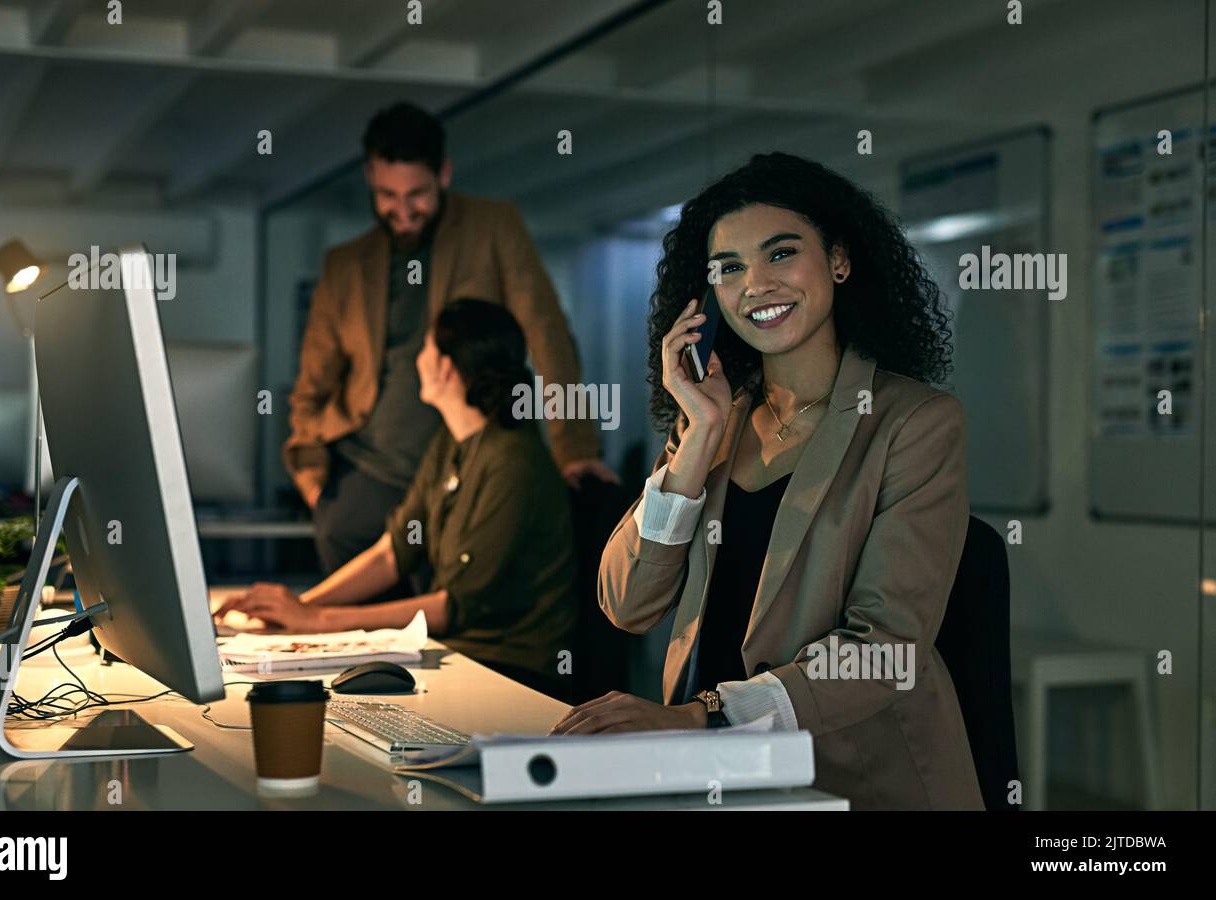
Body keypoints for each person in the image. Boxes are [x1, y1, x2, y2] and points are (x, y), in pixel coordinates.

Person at [551, 152, 984, 810]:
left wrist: (704, 715)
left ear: (838, 261)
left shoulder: (915, 423)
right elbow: (627, 602)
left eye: (781, 254)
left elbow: (884, 648)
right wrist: (697, 439)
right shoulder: (715, 419)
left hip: (849, 779)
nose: (755, 286)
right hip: (712, 775)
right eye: (728, 269)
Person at [285, 101, 616, 574]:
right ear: (369, 180)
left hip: (467, 465)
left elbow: (549, 337)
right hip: (366, 475)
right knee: (352, 635)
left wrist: (575, 450)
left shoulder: (493, 226)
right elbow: (312, 386)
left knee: (452, 628)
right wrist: (316, 488)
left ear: (443, 174)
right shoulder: (344, 264)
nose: (402, 210)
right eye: (386, 195)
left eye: (416, 194)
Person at [222, 299, 577, 696]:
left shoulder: (514, 463)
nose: (418, 359)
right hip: (462, 653)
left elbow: (453, 605)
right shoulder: (450, 442)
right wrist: (295, 608)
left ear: (445, 367)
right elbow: (392, 552)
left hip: (512, 668)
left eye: (426, 348)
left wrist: (317, 619)